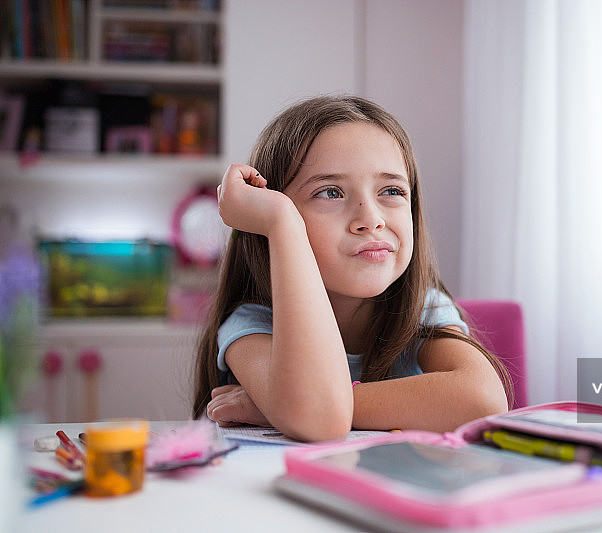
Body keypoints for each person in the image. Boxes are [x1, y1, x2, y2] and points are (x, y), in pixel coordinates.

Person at [192, 95, 511, 442]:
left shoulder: (423, 310)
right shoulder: (253, 324)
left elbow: (485, 400)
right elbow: (319, 420)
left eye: (391, 190)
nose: (370, 220)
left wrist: (278, 405)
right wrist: (281, 223)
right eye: (330, 193)